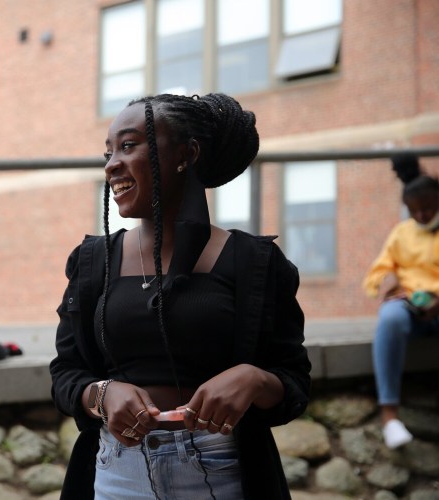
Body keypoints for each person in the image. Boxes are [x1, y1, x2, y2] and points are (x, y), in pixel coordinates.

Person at [50, 93, 311, 500]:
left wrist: (255, 379)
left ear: (186, 154)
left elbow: (293, 383)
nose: (111, 164)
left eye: (129, 145)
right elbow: (66, 374)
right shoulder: (91, 262)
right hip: (117, 475)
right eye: (108, 152)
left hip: (223, 471)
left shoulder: (254, 263)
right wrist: (100, 394)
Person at [362, 153, 439, 449]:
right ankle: (390, 415)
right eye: (415, 211)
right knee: (390, 317)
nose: (421, 216)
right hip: (410, 305)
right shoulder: (401, 234)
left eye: (429, 208)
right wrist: (386, 282)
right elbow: (377, 275)